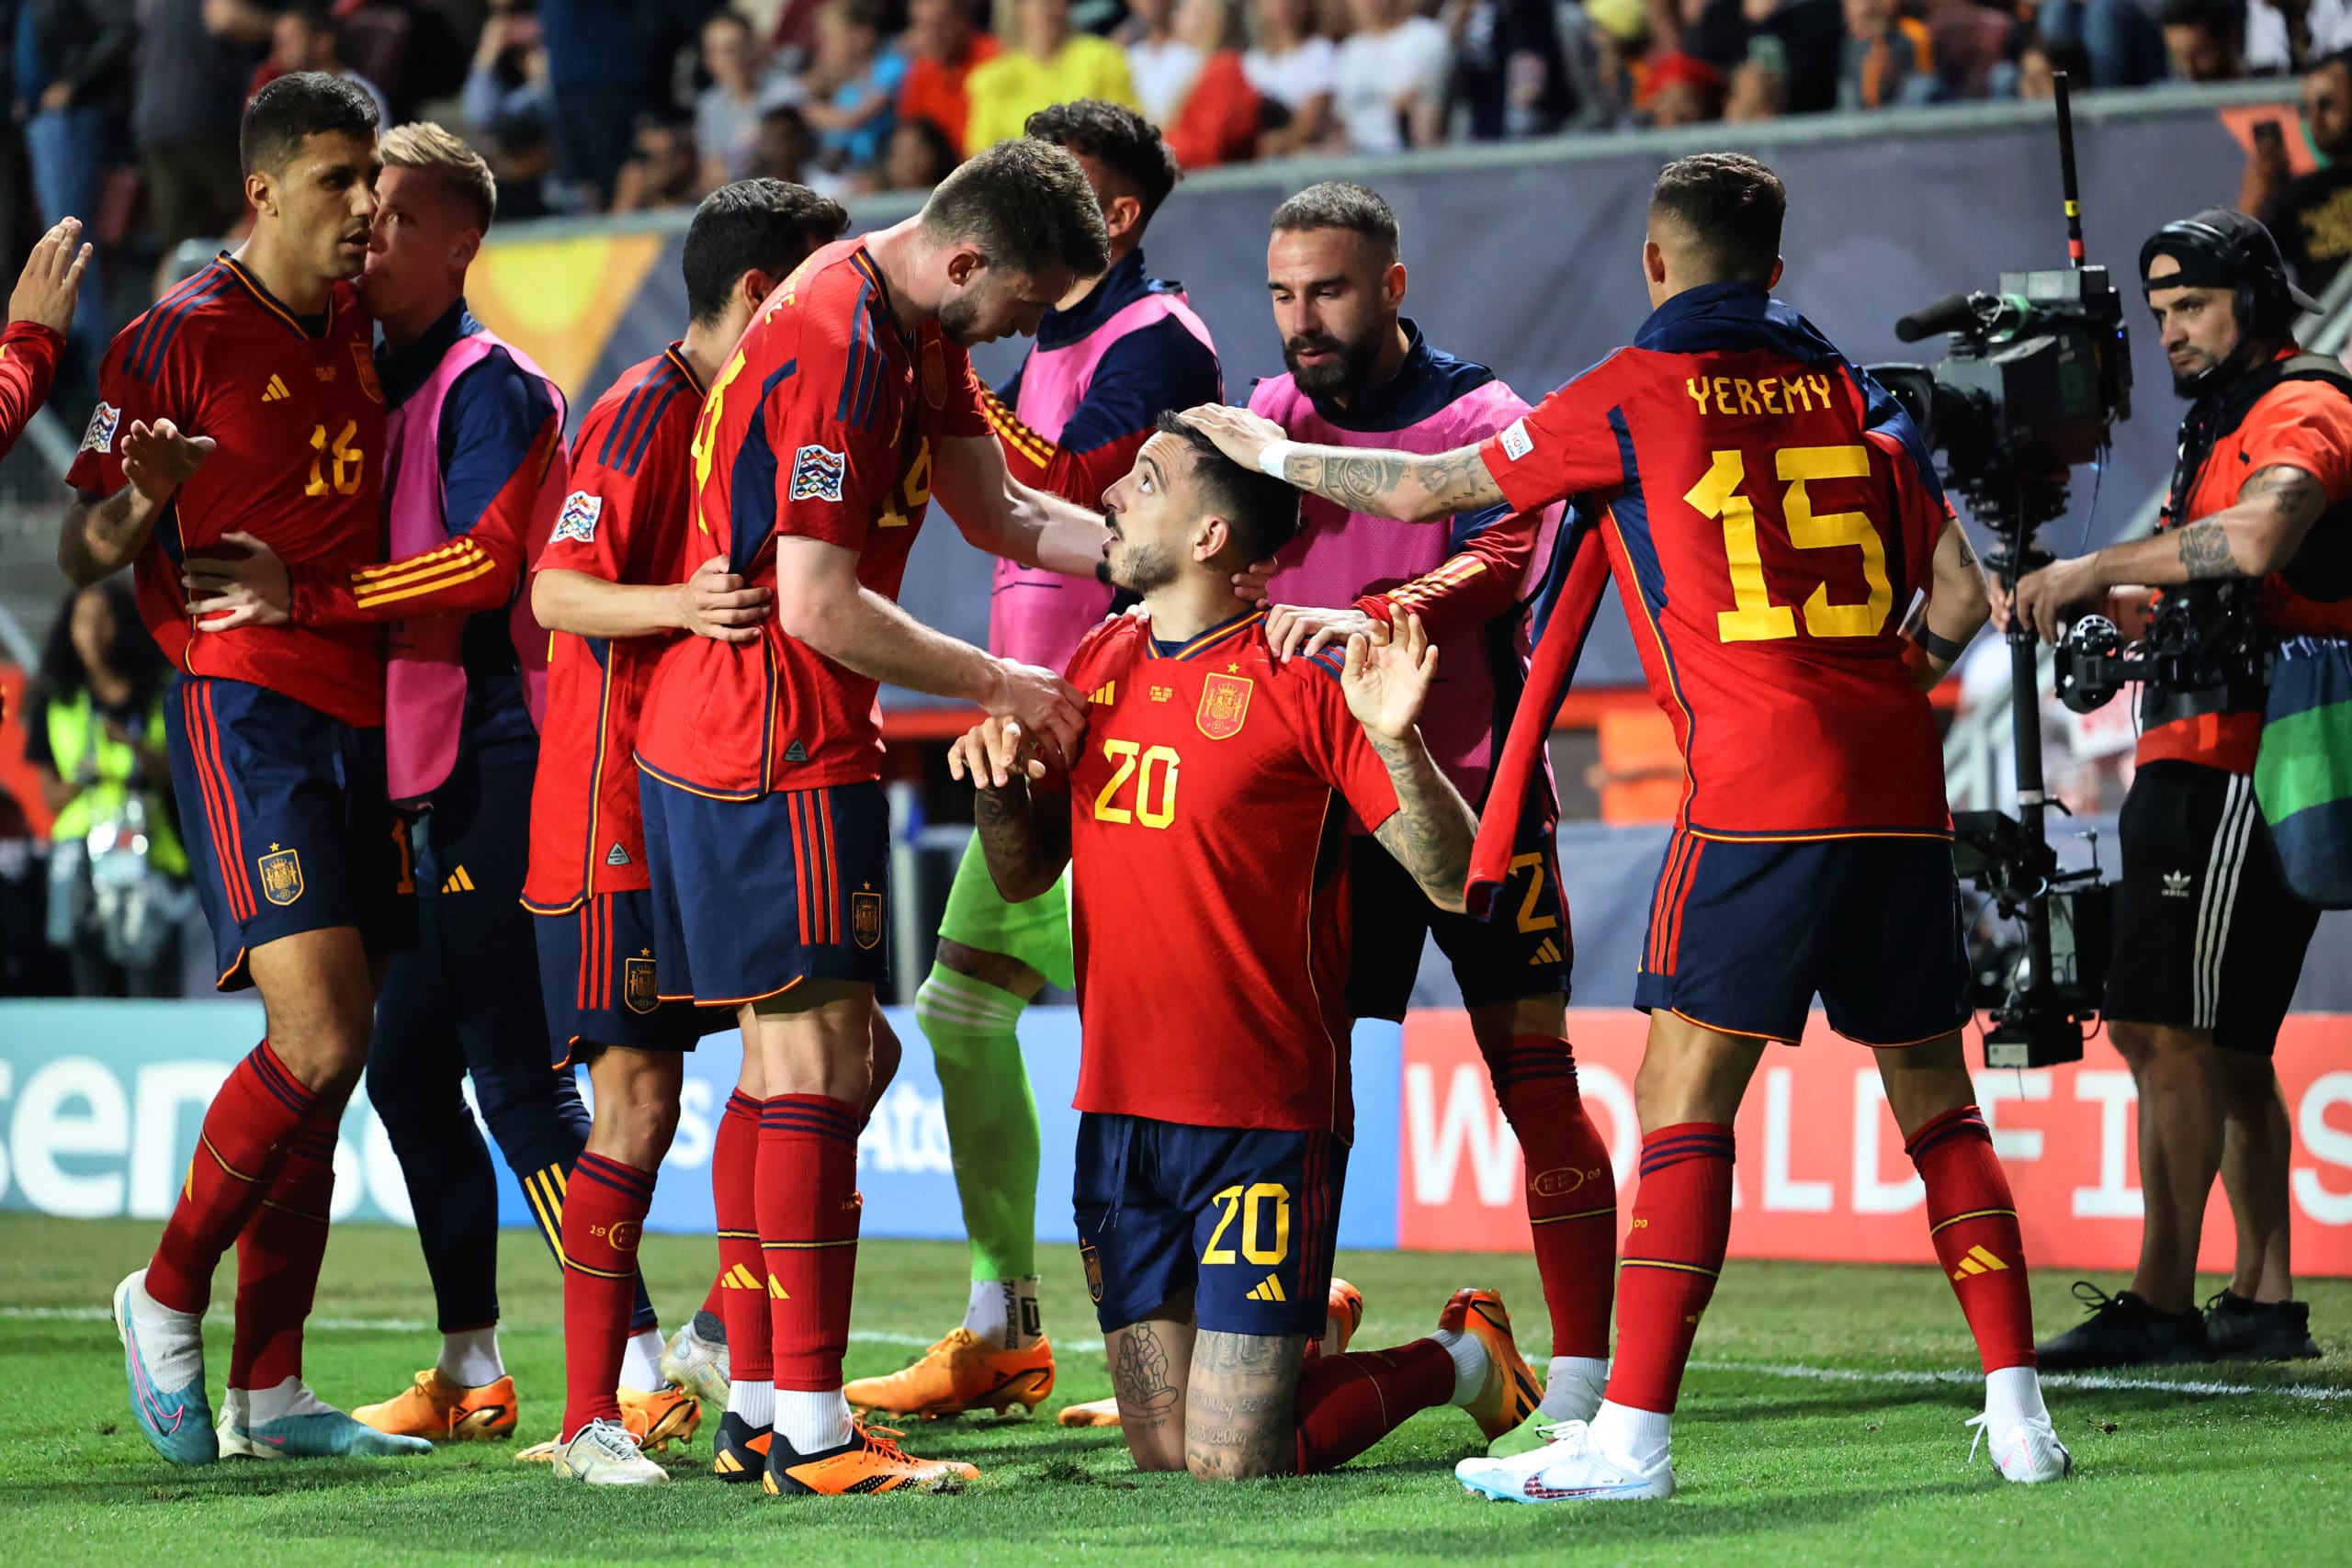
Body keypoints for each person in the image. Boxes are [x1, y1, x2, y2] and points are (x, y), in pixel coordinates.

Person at [1185, 151, 2067, 1500]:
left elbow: (1433, 496)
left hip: (1756, 791)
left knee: (1678, 1103)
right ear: (1774, 268)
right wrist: (1881, 691)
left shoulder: (1637, 388)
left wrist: (1277, 451)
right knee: (1937, 1101)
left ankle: (1630, 1434)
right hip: (1899, 786)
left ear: (1655, 262)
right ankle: (2019, 1416)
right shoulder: (1864, 394)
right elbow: (1956, 593)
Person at [175, 120, 698, 1458]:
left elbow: (485, 564)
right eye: (351, 201)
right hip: (400, 763)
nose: (364, 230)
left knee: (517, 1079)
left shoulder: (491, 384)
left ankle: (634, 1356)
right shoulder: (356, 372)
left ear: (462, 244)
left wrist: (312, 594)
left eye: (393, 213)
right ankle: (473, 1356)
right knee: (403, 1069)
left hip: (495, 753)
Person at [631, 136, 1114, 1496]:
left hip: (775, 734)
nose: (1027, 329)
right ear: (967, 260)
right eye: (1023, 302)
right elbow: (819, 604)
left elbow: (1003, 509)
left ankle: (766, 1413)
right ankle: (816, 1431)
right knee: (821, 1061)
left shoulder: (911, 324)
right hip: (763, 737)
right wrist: (1002, 675)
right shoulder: (842, 340)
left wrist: (1134, 546)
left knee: (822, 1065)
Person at [948, 414, 1542, 1480]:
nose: (1115, 498)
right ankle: (1298, 1330)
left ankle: (1459, 1357)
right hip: (1118, 1118)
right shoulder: (1102, 654)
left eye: (1144, 480)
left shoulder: (1304, 677)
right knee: (1163, 1453)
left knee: (1231, 1464)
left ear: (1213, 534)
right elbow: (1027, 873)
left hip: (1261, 1123)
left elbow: (1454, 878)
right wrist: (997, 795)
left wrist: (1399, 742)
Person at [62, 71, 425, 1466]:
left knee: (333, 1069)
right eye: (339, 181)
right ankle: (161, 1290)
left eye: (374, 179)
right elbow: (81, 548)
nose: (364, 206)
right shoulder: (172, 338)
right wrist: (149, 493)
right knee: (319, 1033)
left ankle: (270, 1391)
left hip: (360, 705)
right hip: (242, 704)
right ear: (263, 188)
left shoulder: (353, 323)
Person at [846, 99, 1227, 1428]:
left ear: (1112, 216)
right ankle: (1001, 1320)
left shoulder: (1159, 336)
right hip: (1033, 720)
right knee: (962, 1011)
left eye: (1056, 183)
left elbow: (1078, 482)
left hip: (1123, 721)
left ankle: (1271, 1289)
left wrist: (943, 390)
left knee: (1171, 1018)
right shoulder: (1039, 338)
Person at [1238, 179, 1618, 1454]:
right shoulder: (1268, 412)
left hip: (1479, 796)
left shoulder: (1487, 417)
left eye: (1329, 290)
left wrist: (1377, 616)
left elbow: (1508, 560)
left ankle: (1578, 1381)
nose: (1303, 319)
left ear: (1392, 286)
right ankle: (1291, 1333)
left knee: (1535, 1081)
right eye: (1285, 293)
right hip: (1327, 814)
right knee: (1310, 1091)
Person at [508, 178, 852, 1487]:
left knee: (833, 1053)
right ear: (765, 295)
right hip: (614, 827)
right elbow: (554, 591)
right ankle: (594, 1410)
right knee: (639, 1101)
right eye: (821, 292)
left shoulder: (748, 414)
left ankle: (734, 1342)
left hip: (711, 802)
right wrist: (681, 603)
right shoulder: (648, 411)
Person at [2008, 209, 2344, 1370]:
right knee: (2230, 1045)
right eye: (2157, 314)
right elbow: (2203, 584)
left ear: (2252, 296)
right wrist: (2108, 598)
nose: (2171, 332)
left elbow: (2256, 542)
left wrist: (2098, 564)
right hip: (2202, 746)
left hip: (2238, 758)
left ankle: (2162, 1299)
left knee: (2165, 1027)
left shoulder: (2306, 404)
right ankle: (2260, 1298)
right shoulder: (2222, 422)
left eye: (2191, 306)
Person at [26, 579, 188, 998]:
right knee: (92, 984)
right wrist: (86, 772)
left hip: (151, 859)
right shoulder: (56, 700)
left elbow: (189, 774)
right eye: (82, 620)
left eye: (104, 619)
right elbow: (52, 798)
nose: (93, 631)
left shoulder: (163, 691)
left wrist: (134, 750)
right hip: (81, 862)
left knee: (152, 983)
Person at [961, 0, 1138, 152]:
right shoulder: (991, 79)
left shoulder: (1104, 59)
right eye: (1035, 2)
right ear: (1017, 9)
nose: (1046, 9)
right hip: (1019, 185)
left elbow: (1130, 131)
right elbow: (981, 153)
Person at [2254, 51, 2352, 296]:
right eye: (2306, 109)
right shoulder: (2299, 195)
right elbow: (2240, 263)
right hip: (2323, 332)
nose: (2314, 120)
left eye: (2327, 104)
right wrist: (2258, 192)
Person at [897, 0, 1001, 153]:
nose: (931, 37)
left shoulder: (993, 59)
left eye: (939, 25)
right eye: (922, 27)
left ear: (963, 19)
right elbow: (910, 133)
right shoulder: (921, 70)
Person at [1240, 0, 1338, 155]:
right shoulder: (1249, 61)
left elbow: (1313, 118)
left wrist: (1280, 142)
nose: (1282, 5)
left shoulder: (1319, 51)